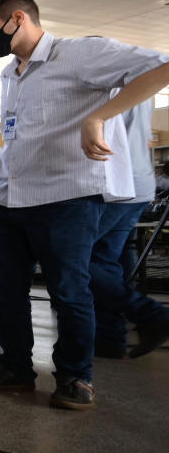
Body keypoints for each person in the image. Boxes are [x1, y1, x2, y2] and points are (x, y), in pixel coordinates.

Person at [0, 0, 169, 410]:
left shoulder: (79, 54)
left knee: (69, 291)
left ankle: (75, 377)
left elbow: (162, 66)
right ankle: (15, 368)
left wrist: (99, 115)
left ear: (18, 18)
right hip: (10, 198)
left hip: (66, 195)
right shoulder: (9, 74)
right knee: (8, 291)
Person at [91, 100, 169, 358]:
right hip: (138, 184)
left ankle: (151, 314)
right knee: (102, 261)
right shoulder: (140, 85)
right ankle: (109, 338)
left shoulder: (103, 76)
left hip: (111, 185)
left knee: (72, 257)